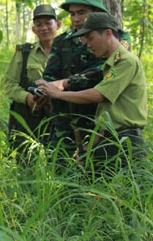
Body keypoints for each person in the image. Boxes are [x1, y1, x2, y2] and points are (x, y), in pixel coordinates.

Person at [39, 13, 147, 171]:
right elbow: (106, 112)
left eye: (91, 38)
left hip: (126, 141)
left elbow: (98, 95)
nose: (88, 45)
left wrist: (58, 93)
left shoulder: (126, 62)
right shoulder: (110, 65)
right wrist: (89, 148)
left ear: (108, 33)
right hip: (109, 139)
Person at [38, 0, 131, 159]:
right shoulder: (62, 41)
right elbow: (51, 73)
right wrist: (44, 88)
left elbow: (105, 68)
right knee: (60, 168)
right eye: (72, 14)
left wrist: (66, 83)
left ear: (97, 12)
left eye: (82, 13)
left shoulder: (117, 38)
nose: (76, 19)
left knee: (98, 172)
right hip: (64, 118)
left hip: (97, 118)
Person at [3, 4, 61, 161]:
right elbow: (9, 84)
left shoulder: (68, 51)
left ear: (58, 24)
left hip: (59, 114)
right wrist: (27, 98)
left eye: (48, 23)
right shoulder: (24, 53)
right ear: (34, 29)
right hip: (29, 115)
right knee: (25, 160)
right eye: (38, 24)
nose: (44, 28)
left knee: (59, 160)